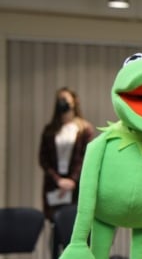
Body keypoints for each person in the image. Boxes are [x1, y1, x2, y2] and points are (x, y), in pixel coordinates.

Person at [39, 87, 94, 222]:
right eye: (59, 100)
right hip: (54, 184)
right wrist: (58, 180)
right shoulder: (50, 130)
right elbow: (43, 158)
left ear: (74, 102)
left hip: (76, 185)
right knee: (55, 224)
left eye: (65, 99)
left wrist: (72, 181)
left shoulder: (84, 129)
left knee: (74, 223)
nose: (61, 102)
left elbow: (85, 157)